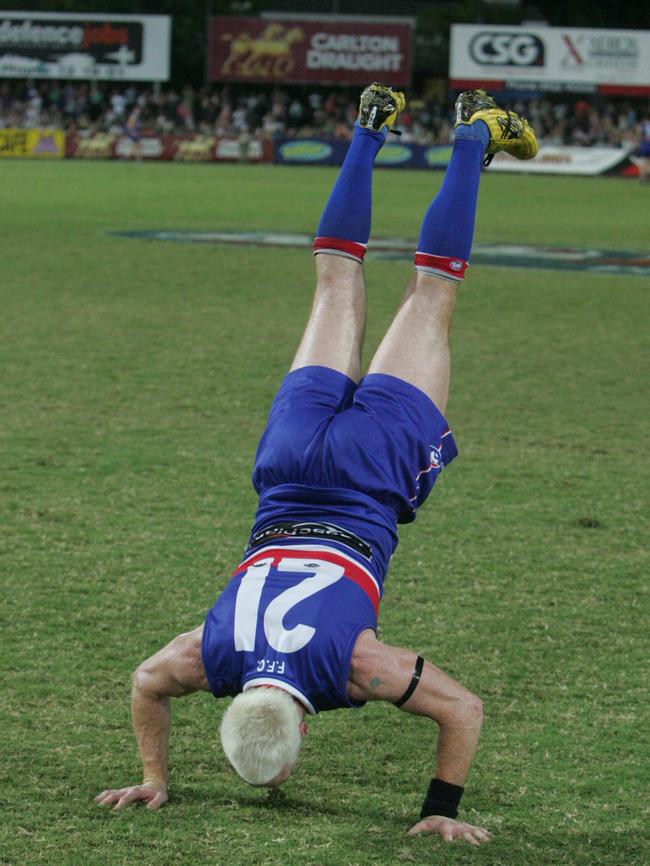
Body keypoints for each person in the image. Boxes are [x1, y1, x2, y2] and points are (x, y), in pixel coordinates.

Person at [95, 85, 537, 846]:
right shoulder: (208, 658)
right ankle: (369, 130)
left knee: (430, 294)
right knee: (336, 278)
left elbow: (463, 709)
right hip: (289, 464)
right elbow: (146, 684)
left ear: (297, 743)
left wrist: (443, 808)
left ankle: (474, 139)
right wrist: (153, 773)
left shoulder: (353, 670)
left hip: (371, 472)